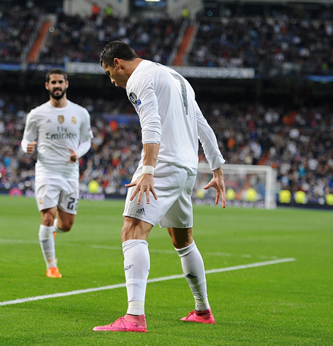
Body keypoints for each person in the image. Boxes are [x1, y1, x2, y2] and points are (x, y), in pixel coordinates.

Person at [93, 41, 226, 333]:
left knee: (132, 230)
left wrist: (149, 170)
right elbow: (203, 125)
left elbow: (151, 121)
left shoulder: (138, 79)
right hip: (187, 167)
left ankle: (134, 317)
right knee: (183, 240)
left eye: (108, 73)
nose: (112, 82)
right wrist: (216, 168)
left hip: (163, 164)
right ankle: (202, 310)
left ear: (118, 62)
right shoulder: (176, 78)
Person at [21, 68, 93, 278]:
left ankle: (51, 231)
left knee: (66, 225)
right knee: (47, 217)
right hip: (46, 171)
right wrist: (26, 147)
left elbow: (87, 140)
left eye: (60, 82)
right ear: (47, 86)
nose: (57, 86)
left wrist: (77, 153)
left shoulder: (80, 113)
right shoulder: (36, 114)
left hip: (70, 173)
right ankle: (51, 266)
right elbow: (26, 139)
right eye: (53, 82)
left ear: (66, 84)